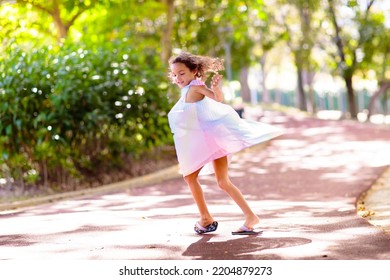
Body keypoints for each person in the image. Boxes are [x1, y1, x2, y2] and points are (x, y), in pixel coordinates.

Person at [167, 52, 282, 235]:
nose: (177, 78)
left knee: (191, 177)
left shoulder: (196, 87)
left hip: (209, 141)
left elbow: (216, 98)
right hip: (212, 140)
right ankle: (249, 217)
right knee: (222, 181)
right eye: (174, 75)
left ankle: (206, 218)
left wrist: (215, 88)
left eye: (181, 73)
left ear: (194, 71)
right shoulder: (187, 90)